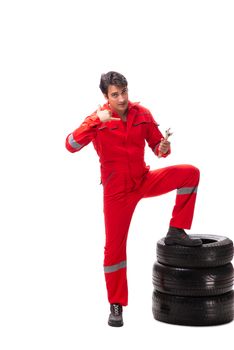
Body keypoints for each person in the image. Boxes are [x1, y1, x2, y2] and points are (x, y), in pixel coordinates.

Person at [65, 71, 202, 327]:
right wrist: (95, 120)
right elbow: (70, 144)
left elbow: (159, 147)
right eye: (115, 94)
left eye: (124, 92)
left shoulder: (142, 114)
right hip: (116, 192)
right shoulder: (97, 120)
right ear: (106, 96)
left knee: (190, 174)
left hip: (142, 180)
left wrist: (163, 147)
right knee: (114, 249)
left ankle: (176, 229)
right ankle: (116, 304)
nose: (121, 98)